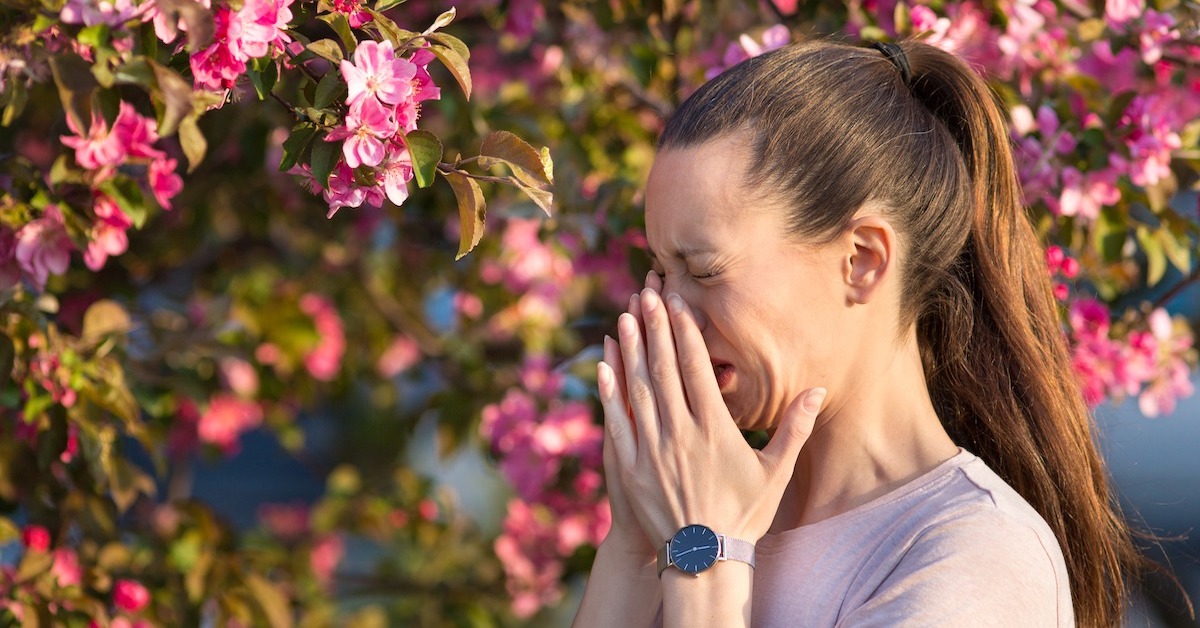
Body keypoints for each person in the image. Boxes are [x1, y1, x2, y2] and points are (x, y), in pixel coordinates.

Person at [572, 39, 1151, 627]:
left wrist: (707, 556)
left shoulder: (975, 556)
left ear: (862, 260)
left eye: (705, 271)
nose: (669, 312)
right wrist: (633, 548)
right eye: (661, 273)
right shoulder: (699, 514)